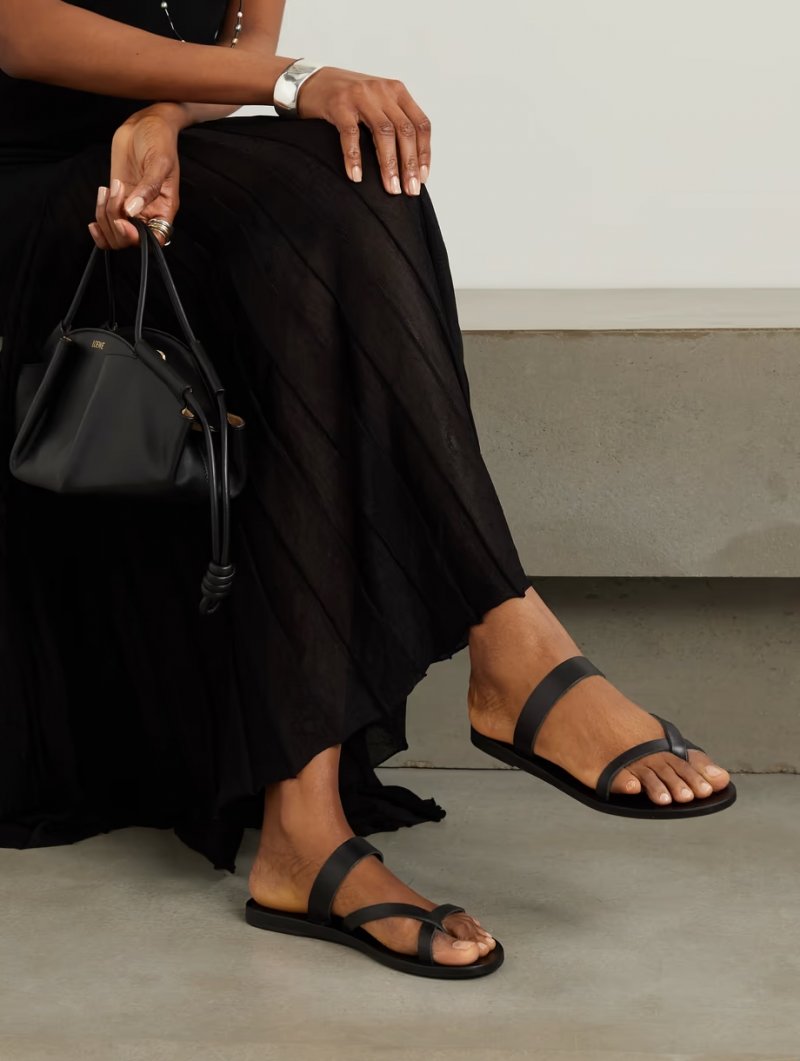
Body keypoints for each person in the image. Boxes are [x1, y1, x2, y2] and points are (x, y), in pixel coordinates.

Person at [0, 0, 735, 980]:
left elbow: (239, 42)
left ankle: (308, 831)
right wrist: (298, 82)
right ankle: (505, 634)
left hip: (149, 167)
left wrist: (163, 116)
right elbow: (23, 33)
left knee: (345, 196)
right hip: (27, 190)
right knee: (321, 182)